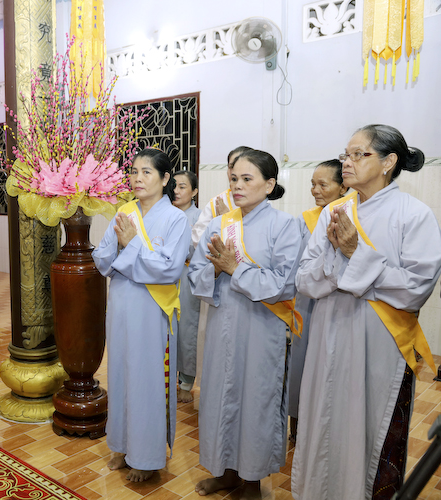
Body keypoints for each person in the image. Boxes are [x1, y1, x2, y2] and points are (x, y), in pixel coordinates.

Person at [291, 125, 441, 500]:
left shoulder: (414, 214)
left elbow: (416, 288)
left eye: (359, 154)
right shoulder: (334, 212)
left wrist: (355, 255)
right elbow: (304, 280)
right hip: (328, 333)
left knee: (371, 427)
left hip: (380, 344)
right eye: (346, 154)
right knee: (325, 420)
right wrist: (336, 264)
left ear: (389, 162)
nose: (347, 162)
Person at [188, 149, 301, 499]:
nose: (237, 185)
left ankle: (252, 480)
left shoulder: (286, 225)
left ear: (269, 184)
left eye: (247, 179)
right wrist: (215, 270)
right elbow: (195, 275)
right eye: (234, 178)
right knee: (220, 397)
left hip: (262, 328)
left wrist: (235, 269)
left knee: (255, 400)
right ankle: (225, 472)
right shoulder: (220, 225)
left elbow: (285, 283)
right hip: (222, 327)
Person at [92, 148, 190, 483]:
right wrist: (124, 248)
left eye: (147, 172)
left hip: (152, 311)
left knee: (147, 380)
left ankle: (146, 458)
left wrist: (131, 246)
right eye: (134, 171)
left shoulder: (175, 219)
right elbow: (103, 257)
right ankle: (121, 446)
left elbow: (169, 269)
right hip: (121, 305)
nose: (138, 178)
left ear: (165, 179)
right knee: (120, 374)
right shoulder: (124, 211)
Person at [288, 159, 347, 445]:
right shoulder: (305, 220)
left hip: (338, 304)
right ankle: (297, 427)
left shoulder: (351, 218)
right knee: (300, 365)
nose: (315, 190)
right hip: (305, 303)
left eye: (323, 184)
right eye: (313, 184)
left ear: (343, 187)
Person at [171, 170, 201, 403]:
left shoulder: (200, 217)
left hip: (188, 276)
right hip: (164, 279)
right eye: (174, 186)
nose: (176, 191)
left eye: (182, 186)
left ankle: (186, 382)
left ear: (194, 192)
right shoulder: (165, 213)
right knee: (167, 329)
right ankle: (167, 378)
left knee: (187, 329)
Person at [190, 146, 252, 249]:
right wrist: (220, 224)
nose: (235, 172)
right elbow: (198, 239)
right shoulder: (217, 202)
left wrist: (228, 220)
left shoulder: (260, 201)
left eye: (242, 167)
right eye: (232, 167)